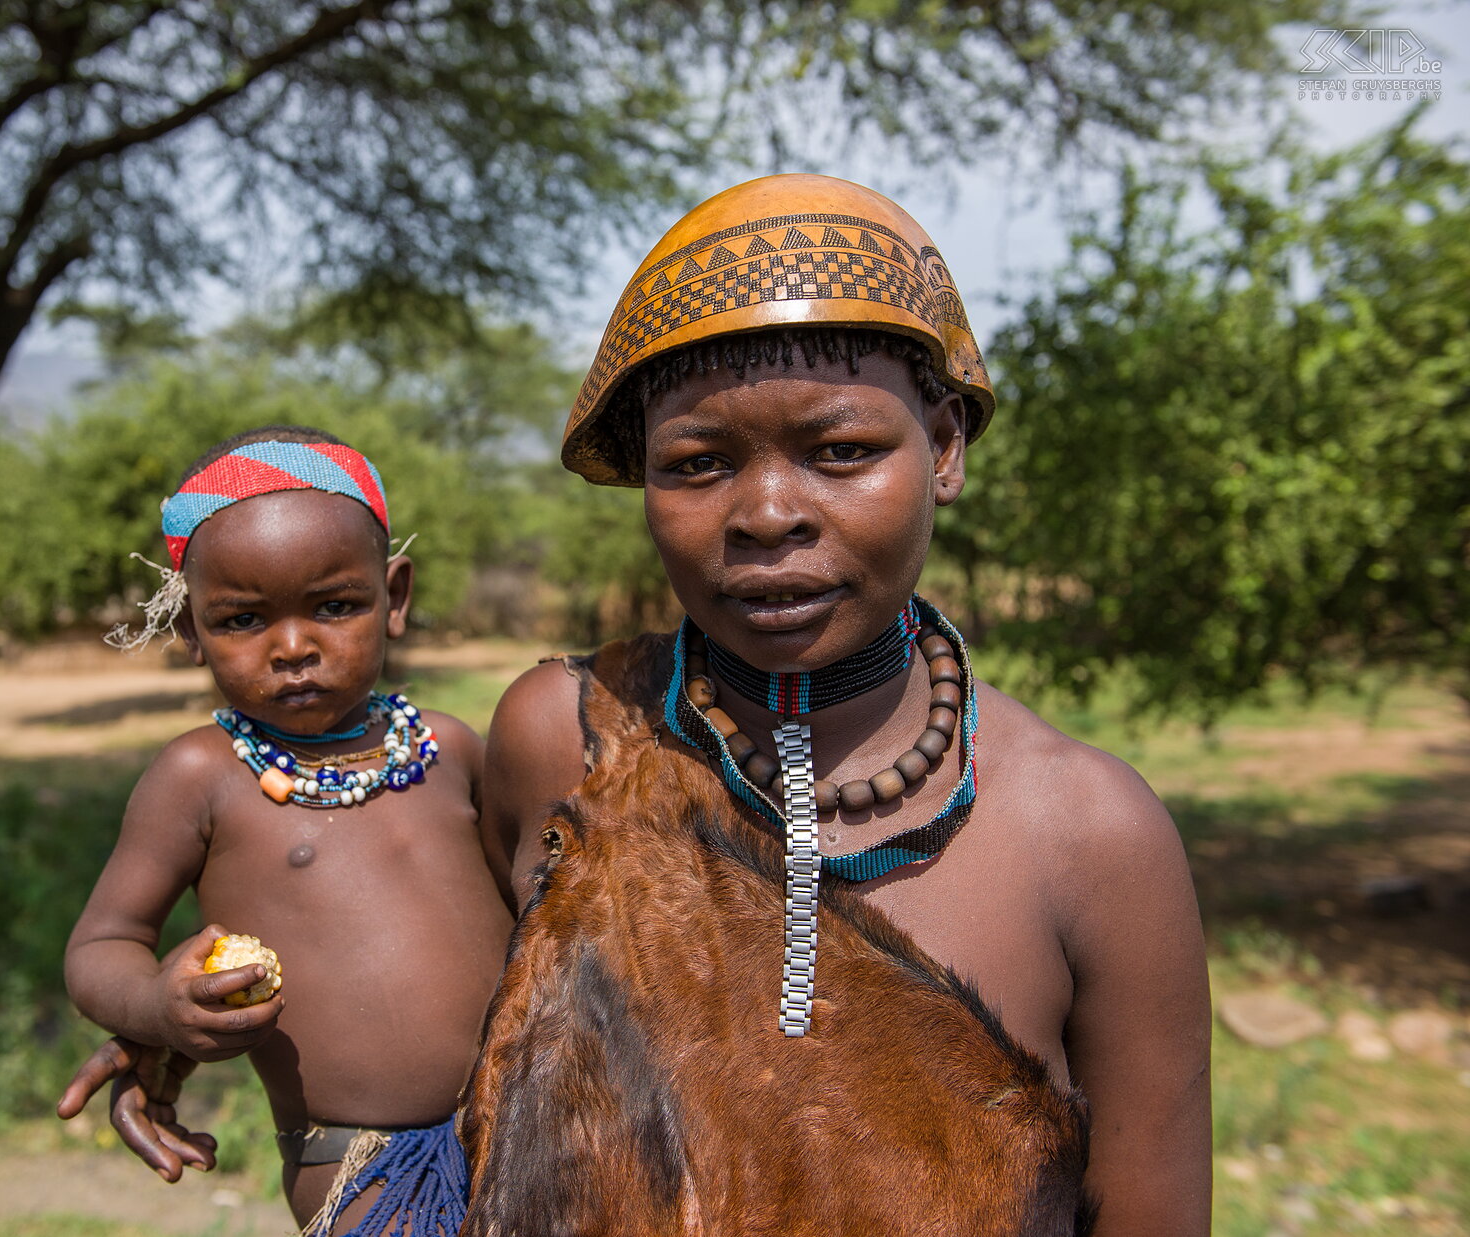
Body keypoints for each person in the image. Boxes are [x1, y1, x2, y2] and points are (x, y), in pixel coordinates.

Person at [67, 177, 1211, 1233]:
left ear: (945, 446)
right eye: (697, 463)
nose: (767, 511)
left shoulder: (1086, 835)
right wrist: (164, 1016)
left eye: (842, 449)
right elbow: (385, 923)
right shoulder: (557, 737)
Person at [61, 425, 512, 1237]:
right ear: (190, 628)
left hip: (532, 1124)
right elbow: (100, 945)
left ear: (395, 596)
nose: (295, 646)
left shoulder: (451, 749)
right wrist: (157, 1009)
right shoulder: (201, 777)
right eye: (241, 619)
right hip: (364, 1164)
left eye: (336, 606)